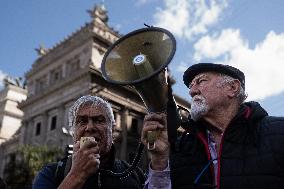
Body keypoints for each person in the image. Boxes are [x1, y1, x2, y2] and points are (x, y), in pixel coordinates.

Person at [141, 63, 284, 189]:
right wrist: (159, 162)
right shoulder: (181, 147)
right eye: (191, 86)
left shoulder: (279, 132)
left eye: (201, 81)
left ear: (232, 88)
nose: (192, 91)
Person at [33, 95, 145, 189]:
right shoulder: (50, 174)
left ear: (112, 129)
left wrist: (158, 160)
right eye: (82, 121)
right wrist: (77, 175)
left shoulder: (134, 174)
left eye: (99, 120)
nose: (90, 127)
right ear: (73, 132)